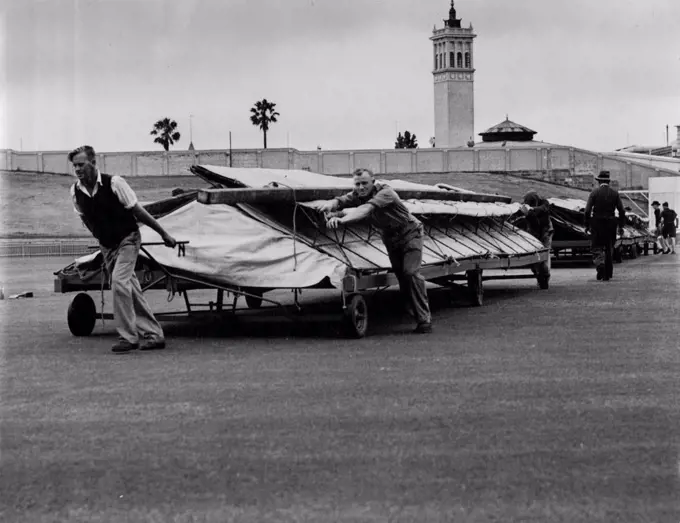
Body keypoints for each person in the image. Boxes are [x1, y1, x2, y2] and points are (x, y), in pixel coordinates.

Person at [68, 145, 177, 353]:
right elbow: (84, 217)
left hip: (128, 239)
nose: (78, 169)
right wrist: (100, 237)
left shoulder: (115, 183)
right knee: (130, 290)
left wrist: (164, 234)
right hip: (108, 246)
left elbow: (138, 212)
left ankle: (128, 337)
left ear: (93, 162)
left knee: (119, 282)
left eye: (81, 164)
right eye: (75, 166)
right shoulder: (75, 191)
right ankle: (154, 335)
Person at [315, 168, 432, 334]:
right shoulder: (357, 194)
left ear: (373, 182)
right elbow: (341, 200)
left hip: (409, 233)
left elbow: (366, 210)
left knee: (411, 273)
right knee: (401, 275)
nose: (361, 187)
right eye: (357, 184)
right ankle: (410, 307)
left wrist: (341, 220)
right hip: (390, 238)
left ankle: (424, 320)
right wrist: (329, 205)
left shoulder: (386, 192)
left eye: (365, 183)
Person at [583, 170, 626, 281]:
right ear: (608, 181)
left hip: (597, 223)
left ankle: (600, 264)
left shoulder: (594, 193)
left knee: (596, 247)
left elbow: (587, 211)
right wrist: (621, 226)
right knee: (609, 247)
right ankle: (608, 272)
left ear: (599, 181)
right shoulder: (615, 194)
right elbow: (622, 211)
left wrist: (587, 224)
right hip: (611, 223)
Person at [519, 191, 554, 289]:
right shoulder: (526, 209)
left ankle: (545, 275)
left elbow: (544, 208)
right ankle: (538, 275)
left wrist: (532, 209)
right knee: (533, 256)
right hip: (533, 233)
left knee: (545, 254)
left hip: (546, 231)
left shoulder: (544, 203)